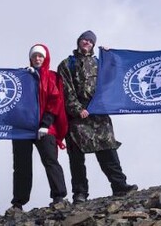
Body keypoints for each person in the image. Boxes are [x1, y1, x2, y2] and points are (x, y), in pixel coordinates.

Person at [57, 30, 138, 202]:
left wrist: (110, 56)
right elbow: (66, 89)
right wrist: (77, 109)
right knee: (76, 157)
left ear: (93, 44)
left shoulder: (99, 63)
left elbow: (116, 77)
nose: (87, 42)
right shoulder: (67, 64)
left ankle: (119, 186)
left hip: (99, 112)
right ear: (79, 41)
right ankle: (80, 193)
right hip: (77, 116)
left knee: (108, 149)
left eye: (90, 41)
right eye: (84, 39)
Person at [8, 44, 69, 214]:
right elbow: (11, 99)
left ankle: (59, 196)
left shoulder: (52, 77)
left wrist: (46, 124)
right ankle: (18, 203)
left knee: (50, 160)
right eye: (34, 56)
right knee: (21, 165)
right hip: (22, 128)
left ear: (45, 58)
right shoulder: (21, 77)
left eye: (40, 56)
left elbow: (55, 100)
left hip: (45, 128)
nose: (37, 59)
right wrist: (24, 79)